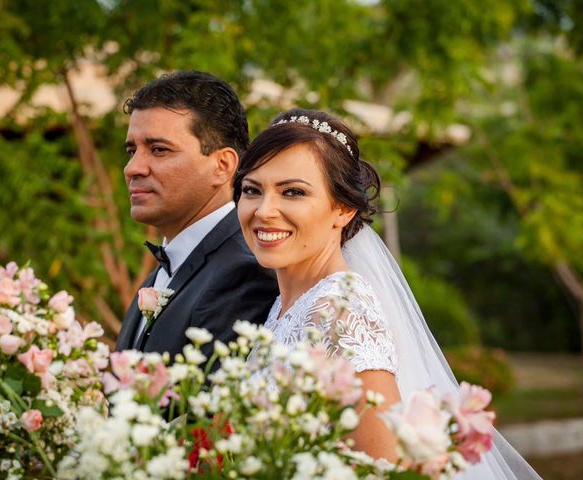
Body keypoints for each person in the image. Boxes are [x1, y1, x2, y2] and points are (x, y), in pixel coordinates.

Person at [234, 108, 541, 478]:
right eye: (252, 190)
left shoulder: (340, 312)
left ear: (343, 209)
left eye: (293, 192)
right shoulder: (289, 305)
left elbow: (383, 470)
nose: (264, 210)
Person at [116, 71, 278, 360]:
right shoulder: (163, 271)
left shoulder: (243, 275)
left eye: (158, 149)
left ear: (222, 165)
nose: (133, 168)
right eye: (132, 151)